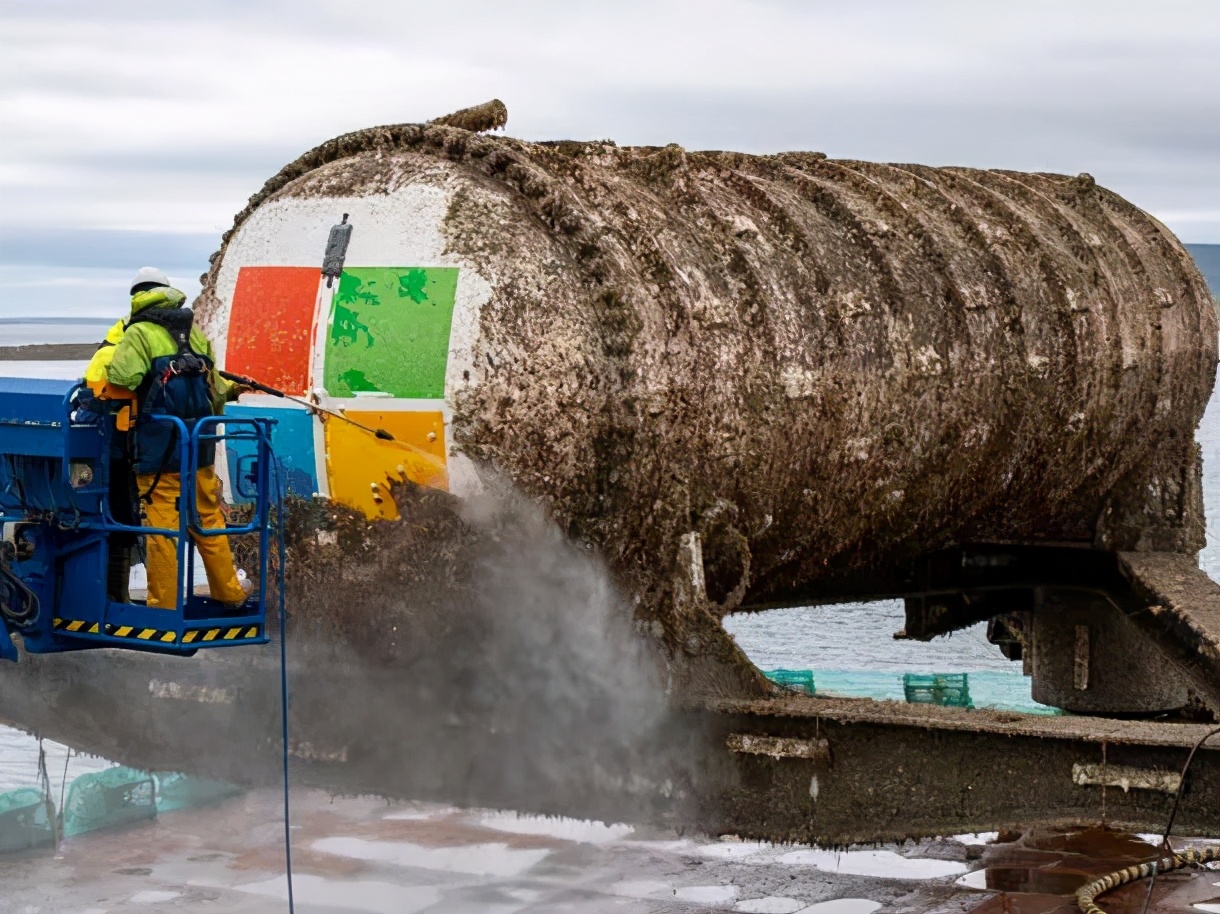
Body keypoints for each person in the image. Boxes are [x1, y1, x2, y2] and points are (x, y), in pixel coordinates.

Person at [104, 269, 251, 610]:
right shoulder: (193, 333)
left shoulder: (139, 332)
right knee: (207, 517)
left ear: (136, 296)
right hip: (199, 446)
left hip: (159, 449)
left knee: (164, 527)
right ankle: (228, 594)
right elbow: (214, 391)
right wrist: (236, 389)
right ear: (169, 293)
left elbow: (124, 377)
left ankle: (163, 606)